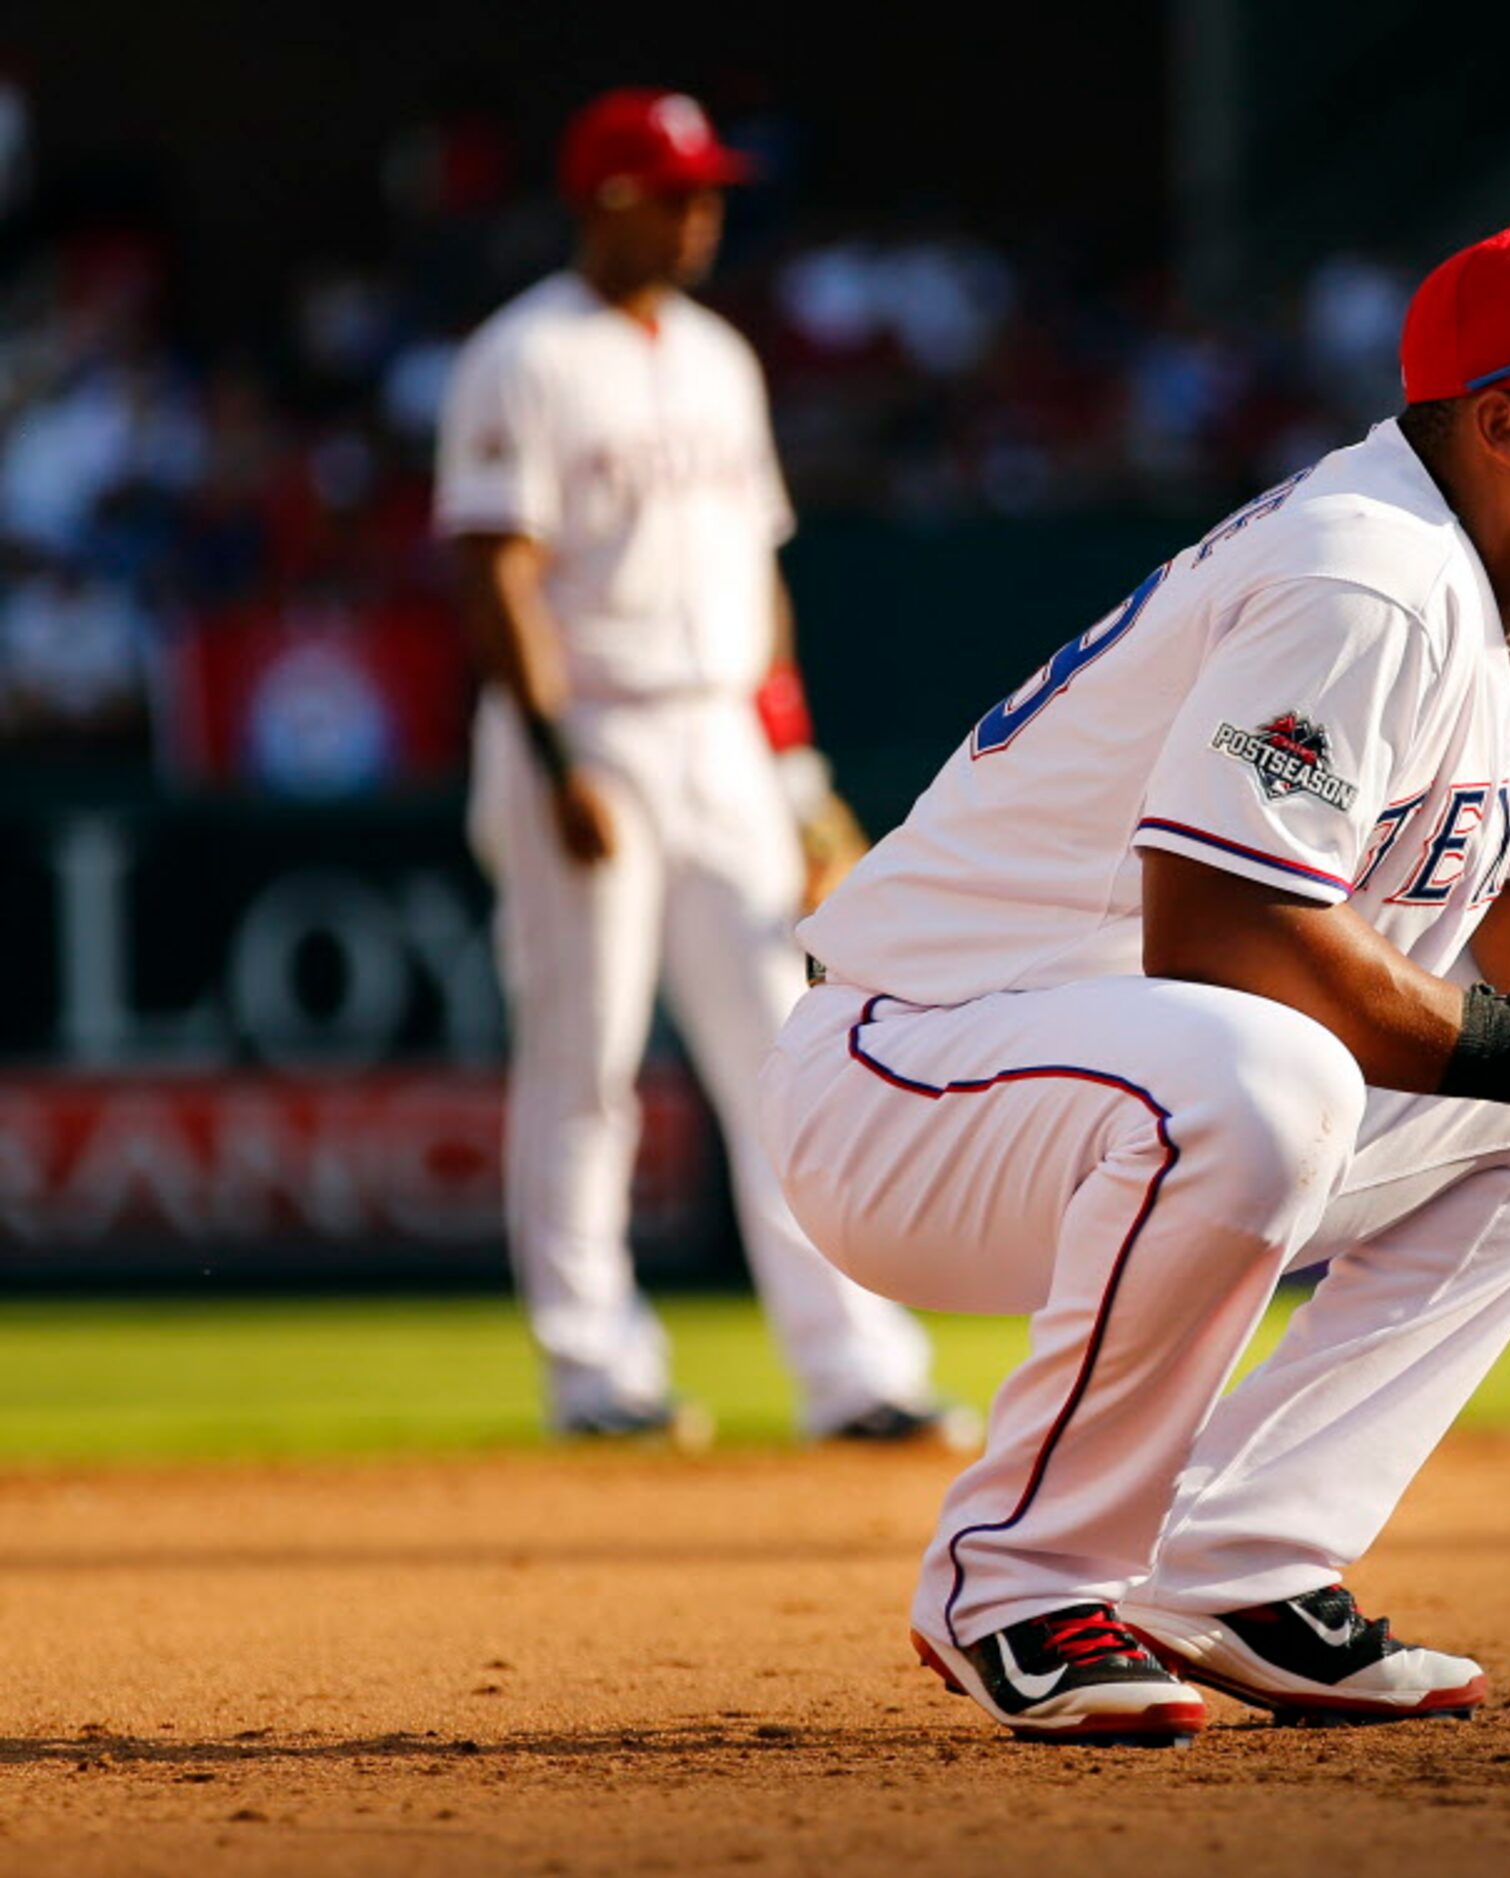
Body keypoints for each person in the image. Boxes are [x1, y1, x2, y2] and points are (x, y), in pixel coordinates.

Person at [759, 218, 1510, 1740]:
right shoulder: (1362, 572)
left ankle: (1238, 1558)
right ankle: (1011, 1578)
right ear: (1501, 422)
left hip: (1115, 1083)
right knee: (1288, 1066)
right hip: (912, 1075)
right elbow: (1226, 936)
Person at [435, 89, 956, 1445]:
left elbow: (756, 575)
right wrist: (553, 761)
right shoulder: (521, 356)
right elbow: (497, 572)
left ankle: (855, 1370)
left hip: (722, 724)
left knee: (786, 1052)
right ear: (610, 199)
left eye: (709, 188)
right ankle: (595, 1371)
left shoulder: (722, 355)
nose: (705, 211)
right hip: (591, 722)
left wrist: (790, 769)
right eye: (681, 190)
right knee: (585, 1058)